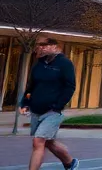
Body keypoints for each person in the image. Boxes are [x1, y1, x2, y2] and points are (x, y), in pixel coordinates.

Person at [20, 37, 78, 170]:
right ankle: (70, 162)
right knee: (48, 142)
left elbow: (70, 87)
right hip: (36, 110)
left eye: (45, 45)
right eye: (40, 45)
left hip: (52, 112)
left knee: (38, 141)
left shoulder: (64, 64)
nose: (41, 48)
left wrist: (58, 105)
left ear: (55, 47)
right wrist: (25, 103)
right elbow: (31, 87)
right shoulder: (39, 64)